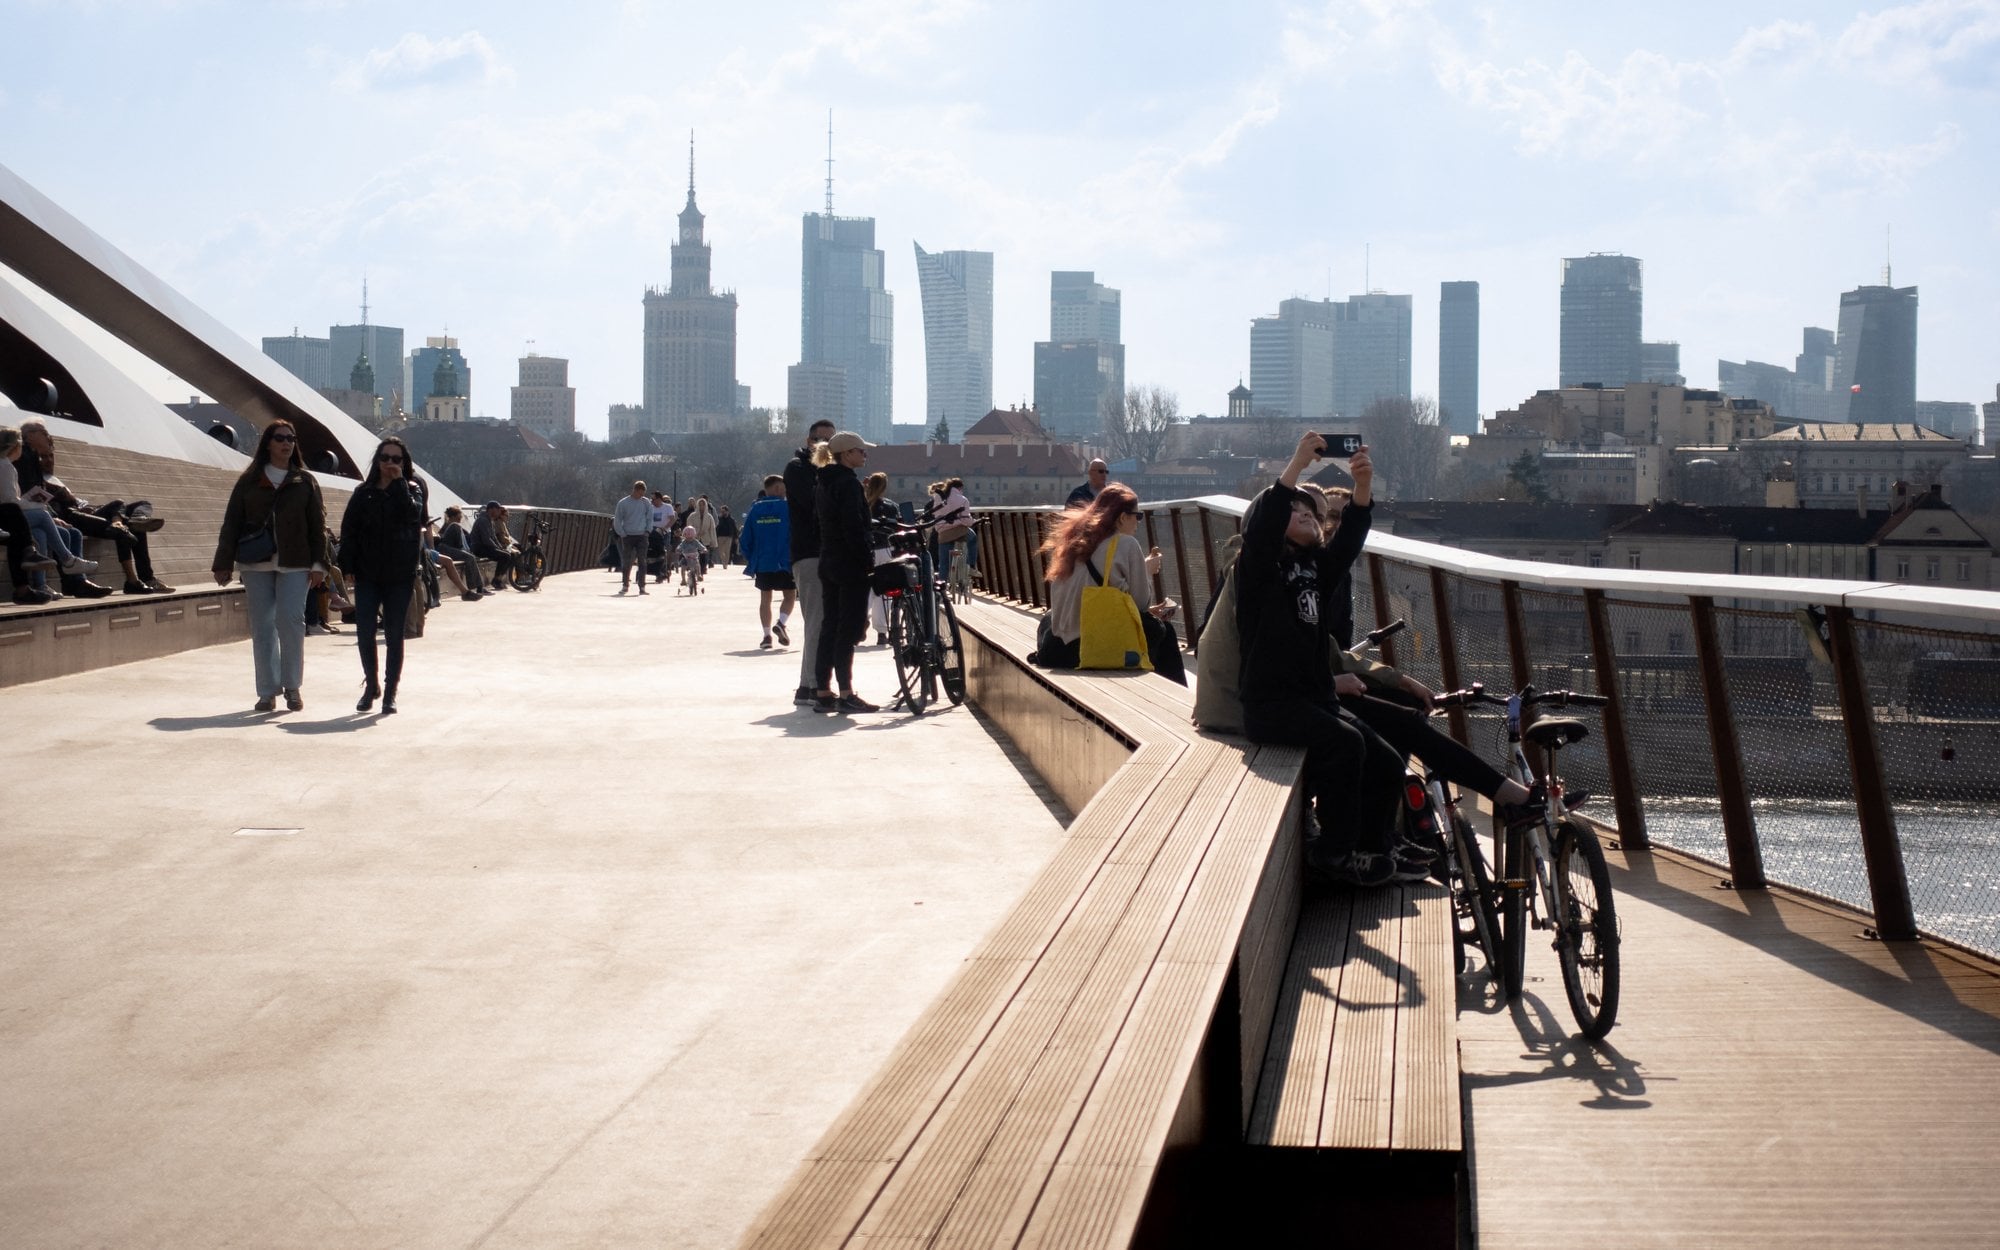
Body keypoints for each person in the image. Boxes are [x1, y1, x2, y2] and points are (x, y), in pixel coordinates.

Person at [1234, 433, 1421, 886]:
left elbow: (1350, 540)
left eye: (1308, 513)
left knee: (1389, 759)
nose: (1304, 515)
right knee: (1347, 745)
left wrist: (1361, 487)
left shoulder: (1316, 569)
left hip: (1313, 699)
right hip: (1271, 704)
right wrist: (1297, 463)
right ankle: (1333, 855)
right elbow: (1262, 529)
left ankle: (1374, 850)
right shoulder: (1259, 570)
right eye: (1294, 513)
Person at [211, 421, 326, 712]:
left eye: (291, 438)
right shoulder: (249, 480)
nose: (287, 443)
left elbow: (318, 525)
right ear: (268, 444)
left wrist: (319, 564)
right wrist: (223, 563)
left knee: (290, 621)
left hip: (296, 562)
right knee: (262, 627)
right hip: (256, 562)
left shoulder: (304, 481)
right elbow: (232, 523)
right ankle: (266, 691)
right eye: (280, 438)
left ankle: (292, 687)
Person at [1031, 483, 1186, 684]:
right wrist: (1146, 571)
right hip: (1092, 649)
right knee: (1164, 632)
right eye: (1137, 516)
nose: (1138, 523)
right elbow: (1141, 604)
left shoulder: (1072, 543)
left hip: (1060, 649)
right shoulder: (1126, 544)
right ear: (1122, 517)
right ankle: (1173, 703)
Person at [16, 416, 169, 594]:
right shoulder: (27, 464)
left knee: (138, 505)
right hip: (69, 515)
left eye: (51, 455)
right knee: (122, 527)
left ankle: (131, 520)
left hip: (82, 510)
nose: (49, 459)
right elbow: (36, 499)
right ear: (30, 437)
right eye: (43, 434)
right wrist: (62, 499)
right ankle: (135, 577)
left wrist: (80, 502)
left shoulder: (47, 472)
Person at [339, 436, 426, 714]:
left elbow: (414, 516)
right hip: (367, 572)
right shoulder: (363, 492)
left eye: (396, 459)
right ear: (377, 461)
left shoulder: (412, 488)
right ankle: (371, 685)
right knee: (365, 632)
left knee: (393, 634)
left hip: (399, 573)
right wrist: (348, 565)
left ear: (404, 463)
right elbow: (350, 530)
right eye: (385, 458)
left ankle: (390, 692)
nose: (390, 463)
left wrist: (399, 483)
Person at [811, 431, 880, 713]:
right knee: (848, 630)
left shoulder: (823, 482)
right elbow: (853, 526)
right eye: (862, 451)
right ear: (847, 454)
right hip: (849, 563)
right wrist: (867, 560)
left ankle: (823, 691)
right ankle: (847, 693)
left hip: (828, 559)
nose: (865, 455)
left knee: (829, 626)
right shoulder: (848, 484)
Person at [784, 418, 837, 704]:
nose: (827, 445)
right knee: (818, 621)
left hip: (825, 552)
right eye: (821, 440)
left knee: (821, 621)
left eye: (832, 440)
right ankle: (814, 686)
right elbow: (814, 505)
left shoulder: (828, 471)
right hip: (809, 553)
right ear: (809, 442)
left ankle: (808, 686)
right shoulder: (798, 468)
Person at [741, 475, 795, 649]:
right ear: (778, 488)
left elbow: (745, 538)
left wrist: (752, 558)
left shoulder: (755, 509)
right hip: (784, 561)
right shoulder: (788, 508)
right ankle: (781, 623)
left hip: (762, 561)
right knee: (789, 595)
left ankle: (766, 636)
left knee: (765, 598)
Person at [863, 471, 899, 646]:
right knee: (884, 593)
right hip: (885, 549)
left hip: (865, 550)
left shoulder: (862, 504)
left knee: (865, 589)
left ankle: (861, 619)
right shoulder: (890, 506)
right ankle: (882, 632)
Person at [435, 506, 488, 597]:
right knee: (469, 558)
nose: (460, 519)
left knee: (470, 557)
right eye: (458, 517)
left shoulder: (451, 526)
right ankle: (475, 588)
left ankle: (478, 587)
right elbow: (459, 544)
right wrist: (465, 551)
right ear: (452, 517)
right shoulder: (453, 526)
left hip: (449, 549)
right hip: (446, 549)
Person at [612, 479, 653, 595]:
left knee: (642, 561)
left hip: (642, 536)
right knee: (627, 561)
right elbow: (618, 519)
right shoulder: (623, 503)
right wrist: (622, 533)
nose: (642, 495)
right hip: (628, 536)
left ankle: (642, 586)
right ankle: (625, 585)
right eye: (640, 493)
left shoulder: (646, 503)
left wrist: (648, 531)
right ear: (635, 490)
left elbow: (650, 517)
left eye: (643, 493)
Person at [469, 501, 517, 588]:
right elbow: (486, 539)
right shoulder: (483, 520)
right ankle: (496, 580)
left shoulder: (489, 520)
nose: (499, 512)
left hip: (486, 547)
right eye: (498, 510)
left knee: (509, 554)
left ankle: (498, 580)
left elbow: (493, 537)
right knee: (505, 556)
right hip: (479, 548)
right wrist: (497, 548)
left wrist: (500, 547)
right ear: (491, 509)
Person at [689, 495, 719, 569]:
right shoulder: (692, 516)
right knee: (695, 556)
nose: (701, 506)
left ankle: (702, 569)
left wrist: (713, 541)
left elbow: (712, 529)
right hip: (695, 539)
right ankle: (696, 570)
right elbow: (689, 526)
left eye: (703, 505)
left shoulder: (709, 517)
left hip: (706, 539)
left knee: (704, 556)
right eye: (700, 505)